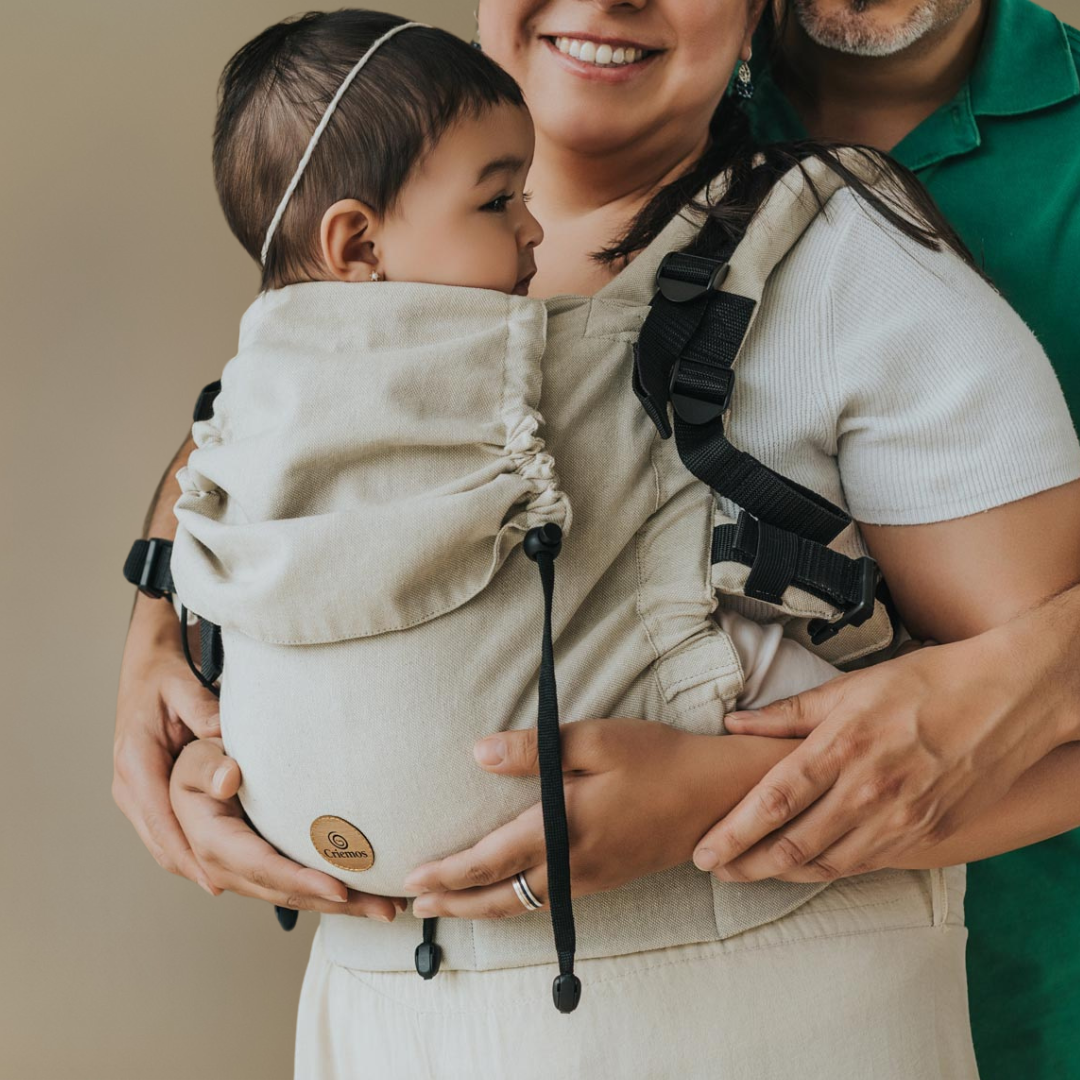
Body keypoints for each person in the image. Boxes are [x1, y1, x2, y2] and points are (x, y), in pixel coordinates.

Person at [112, 2, 1080, 1074]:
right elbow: (225, 458)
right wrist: (173, 656)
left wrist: (711, 806)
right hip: (380, 1030)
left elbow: (1036, 730)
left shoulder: (843, 267)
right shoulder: (366, 289)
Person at [712, 0, 1080, 1072]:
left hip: (1046, 995)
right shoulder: (646, 92)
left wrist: (1035, 671)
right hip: (742, 1005)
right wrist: (180, 590)